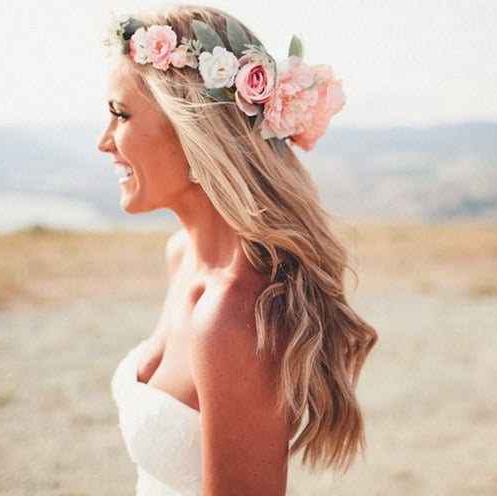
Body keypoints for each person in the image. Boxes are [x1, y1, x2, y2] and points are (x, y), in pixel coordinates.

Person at [98, 5, 377, 495]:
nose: (105, 142)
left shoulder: (232, 317)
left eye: (120, 115)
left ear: (194, 134)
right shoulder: (180, 254)